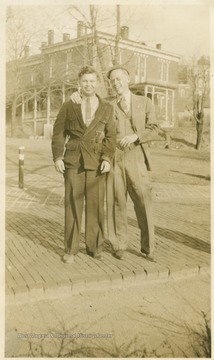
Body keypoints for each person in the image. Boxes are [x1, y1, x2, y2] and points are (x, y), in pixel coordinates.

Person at [70, 65, 158, 262]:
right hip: (115, 157)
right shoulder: (107, 104)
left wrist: (137, 136)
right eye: (112, 81)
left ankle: (149, 247)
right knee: (117, 201)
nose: (116, 83)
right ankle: (119, 244)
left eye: (119, 79)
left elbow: (154, 128)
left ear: (128, 79)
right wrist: (76, 94)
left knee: (143, 200)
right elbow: (87, 99)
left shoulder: (144, 102)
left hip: (136, 156)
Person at [52, 65, 116, 263]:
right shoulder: (69, 104)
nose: (88, 85)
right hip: (73, 160)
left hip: (97, 161)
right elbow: (58, 133)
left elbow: (111, 137)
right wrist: (58, 157)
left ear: (97, 83)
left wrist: (107, 158)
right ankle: (70, 249)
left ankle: (94, 247)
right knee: (72, 204)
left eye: (92, 81)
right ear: (79, 83)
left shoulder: (107, 107)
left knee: (96, 205)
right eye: (84, 81)